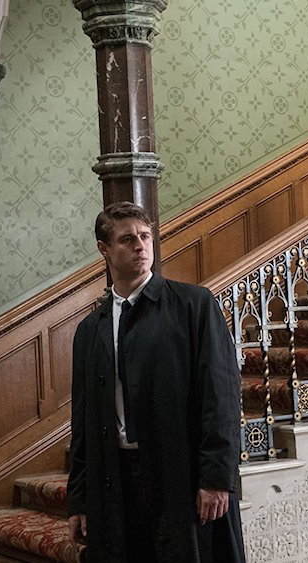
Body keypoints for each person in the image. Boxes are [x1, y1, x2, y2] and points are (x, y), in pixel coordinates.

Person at [66, 202, 246, 563]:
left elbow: (221, 396)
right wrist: (80, 499)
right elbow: (83, 423)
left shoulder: (193, 305)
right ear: (104, 249)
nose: (140, 245)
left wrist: (216, 478)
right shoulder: (91, 329)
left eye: (146, 236)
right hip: (115, 481)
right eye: (127, 239)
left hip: (181, 475)